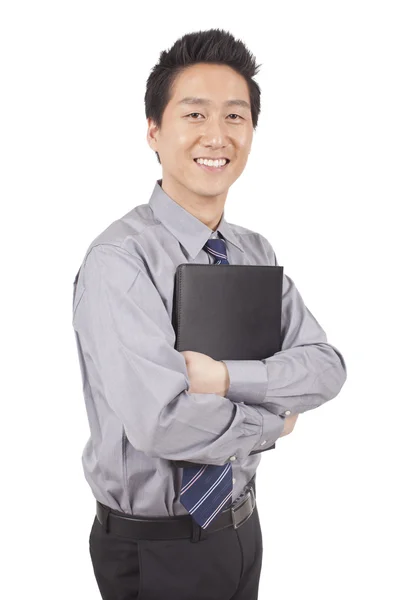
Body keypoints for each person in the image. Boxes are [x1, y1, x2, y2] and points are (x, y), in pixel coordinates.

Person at [71, 28, 347, 600]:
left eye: (235, 117)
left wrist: (224, 378)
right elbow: (160, 422)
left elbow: (325, 366)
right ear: (153, 129)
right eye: (194, 115)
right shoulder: (119, 261)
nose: (217, 136)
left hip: (242, 528)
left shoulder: (255, 252)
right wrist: (273, 420)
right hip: (157, 548)